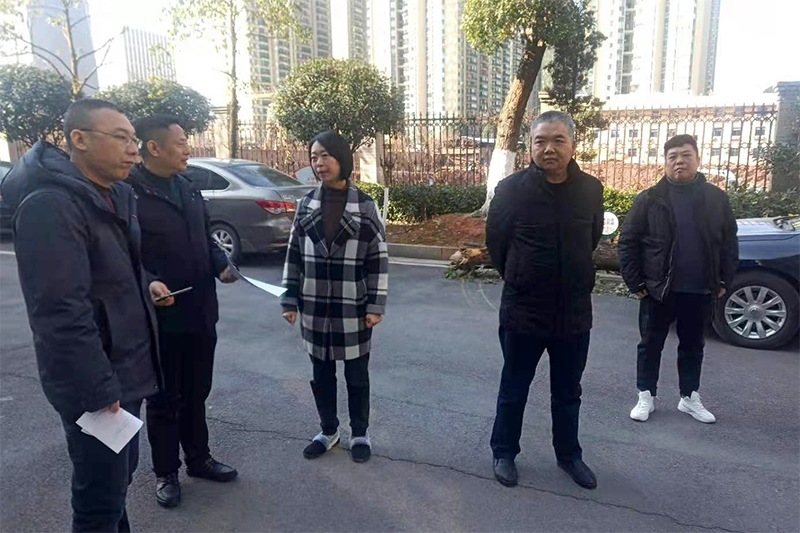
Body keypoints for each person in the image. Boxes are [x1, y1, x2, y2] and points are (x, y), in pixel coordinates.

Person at [0, 99, 169, 532]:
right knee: (98, 501)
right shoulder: (51, 206)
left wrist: (147, 283)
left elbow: (113, 271)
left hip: (125, 371)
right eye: (121, 138)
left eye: (133, 140)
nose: (133, 150)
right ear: (79, 139)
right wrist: (97, 388)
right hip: (95, 383)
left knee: (118, 483)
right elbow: (59, 312)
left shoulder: (112, 195)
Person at [486, 111, 604, 490]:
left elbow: (591, 239)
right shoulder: (511, 190)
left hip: (573, 313)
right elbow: (497, 245)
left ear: (573, 145)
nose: (549, 148)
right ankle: (504, 452)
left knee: (568, 393)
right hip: (523, 311)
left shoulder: (590, 190)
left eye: (558, 140)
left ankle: (569, 456)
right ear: (530, 145)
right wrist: (522, 276)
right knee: (514, 387)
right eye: (540, 141)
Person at [128, 115, 238, 509]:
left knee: (196, 392)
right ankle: (166, 472)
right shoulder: (130, 194)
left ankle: (198, 458)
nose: (188, 149)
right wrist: (149, 282)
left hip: (201, 311)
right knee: (164, 398)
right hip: (161, 318)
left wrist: (221, 264)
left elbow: (206, 239)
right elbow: (124, 256)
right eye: (180, 142)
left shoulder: (188, 187)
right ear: (154, 148)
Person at [281, 130, 388, 464]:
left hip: (352, 306)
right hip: (314, 307)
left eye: (326, 155)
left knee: (357, 376)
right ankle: (328, 431)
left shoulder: (364, 206)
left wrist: (375, 305)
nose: (319, 163)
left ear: (342, 159)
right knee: (321, 375)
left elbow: (378, 259)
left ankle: (360, 434)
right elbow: (294, 255)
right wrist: (289, 298)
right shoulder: (306, 205)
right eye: (314, 157)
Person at [619, 134, 738, 424]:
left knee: (693, 346)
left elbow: (728, 243)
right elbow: (628, 242)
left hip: (700, 288)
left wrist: (724, 280)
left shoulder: (716, 199)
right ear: (665, 162)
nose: (679, 162)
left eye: (686, 155)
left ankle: (689, 397)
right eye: (672, 157)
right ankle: (646, 395)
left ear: (698, 159)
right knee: (650, 345)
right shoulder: (649, 199)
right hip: (658, 289)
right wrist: (636, 283)